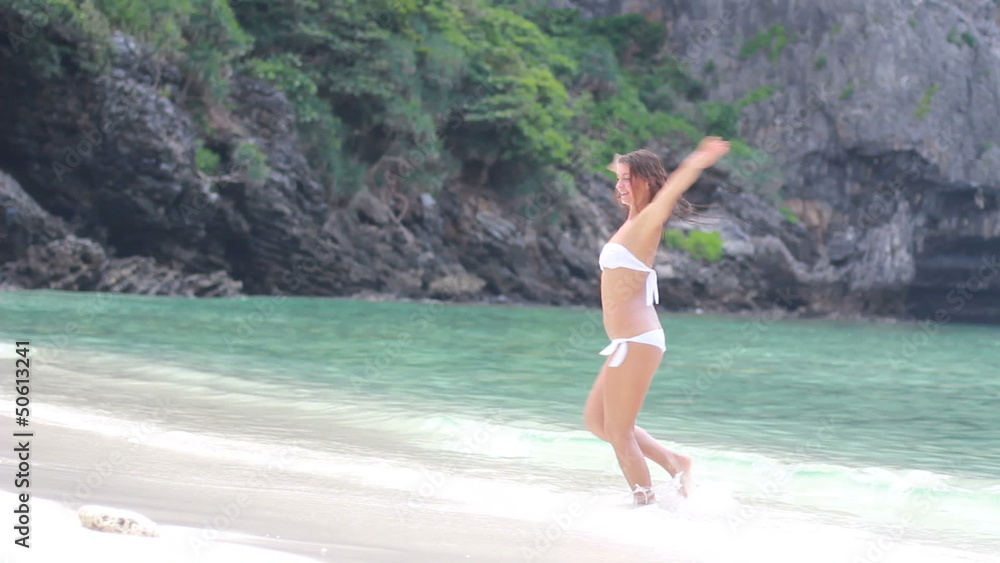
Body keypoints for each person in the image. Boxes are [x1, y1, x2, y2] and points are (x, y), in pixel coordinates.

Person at [583, 136, 730, 505]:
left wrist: (697, 160)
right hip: (625, 341)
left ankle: (645, 507)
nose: (619, 185)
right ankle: (675, 461)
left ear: (646, 180)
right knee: (598, 422)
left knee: (619, 432)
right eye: (617, 179)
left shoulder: (648, 219)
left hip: (638, 340)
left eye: (626, 179)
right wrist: (622, 165)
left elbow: (671, 190)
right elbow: (622, 166)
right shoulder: (631, 221)